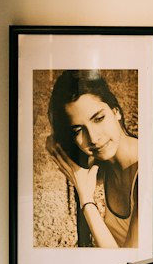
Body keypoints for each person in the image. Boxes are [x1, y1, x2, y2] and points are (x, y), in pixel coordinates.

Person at [45, 69, 139, 248]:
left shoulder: (148, 172)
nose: (94, 138)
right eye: (78, 130)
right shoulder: (100, 167)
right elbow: (52, 143)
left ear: (116, 111)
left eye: (99, 118)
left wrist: (87, 201)